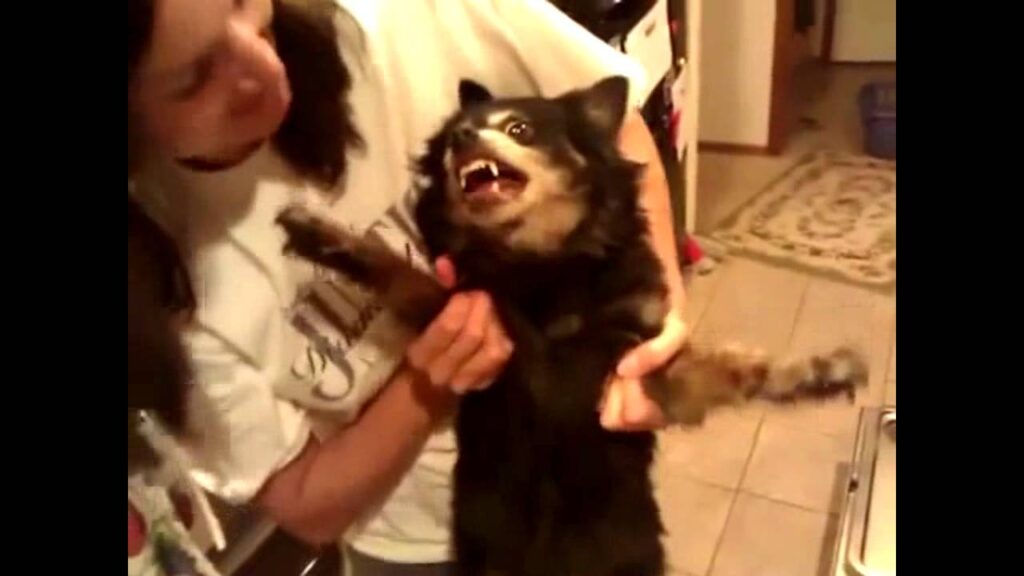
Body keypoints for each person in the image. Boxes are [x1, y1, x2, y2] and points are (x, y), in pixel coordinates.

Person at [127, 0, 689, 573]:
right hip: (415, 543)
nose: (265, 66)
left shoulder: (415, 13)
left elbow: (614, 130)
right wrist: (428, 379)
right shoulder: (153, 278)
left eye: (243, 1)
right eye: (196, 77)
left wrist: (653, 314)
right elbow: (306, 504)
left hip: (591, 503)